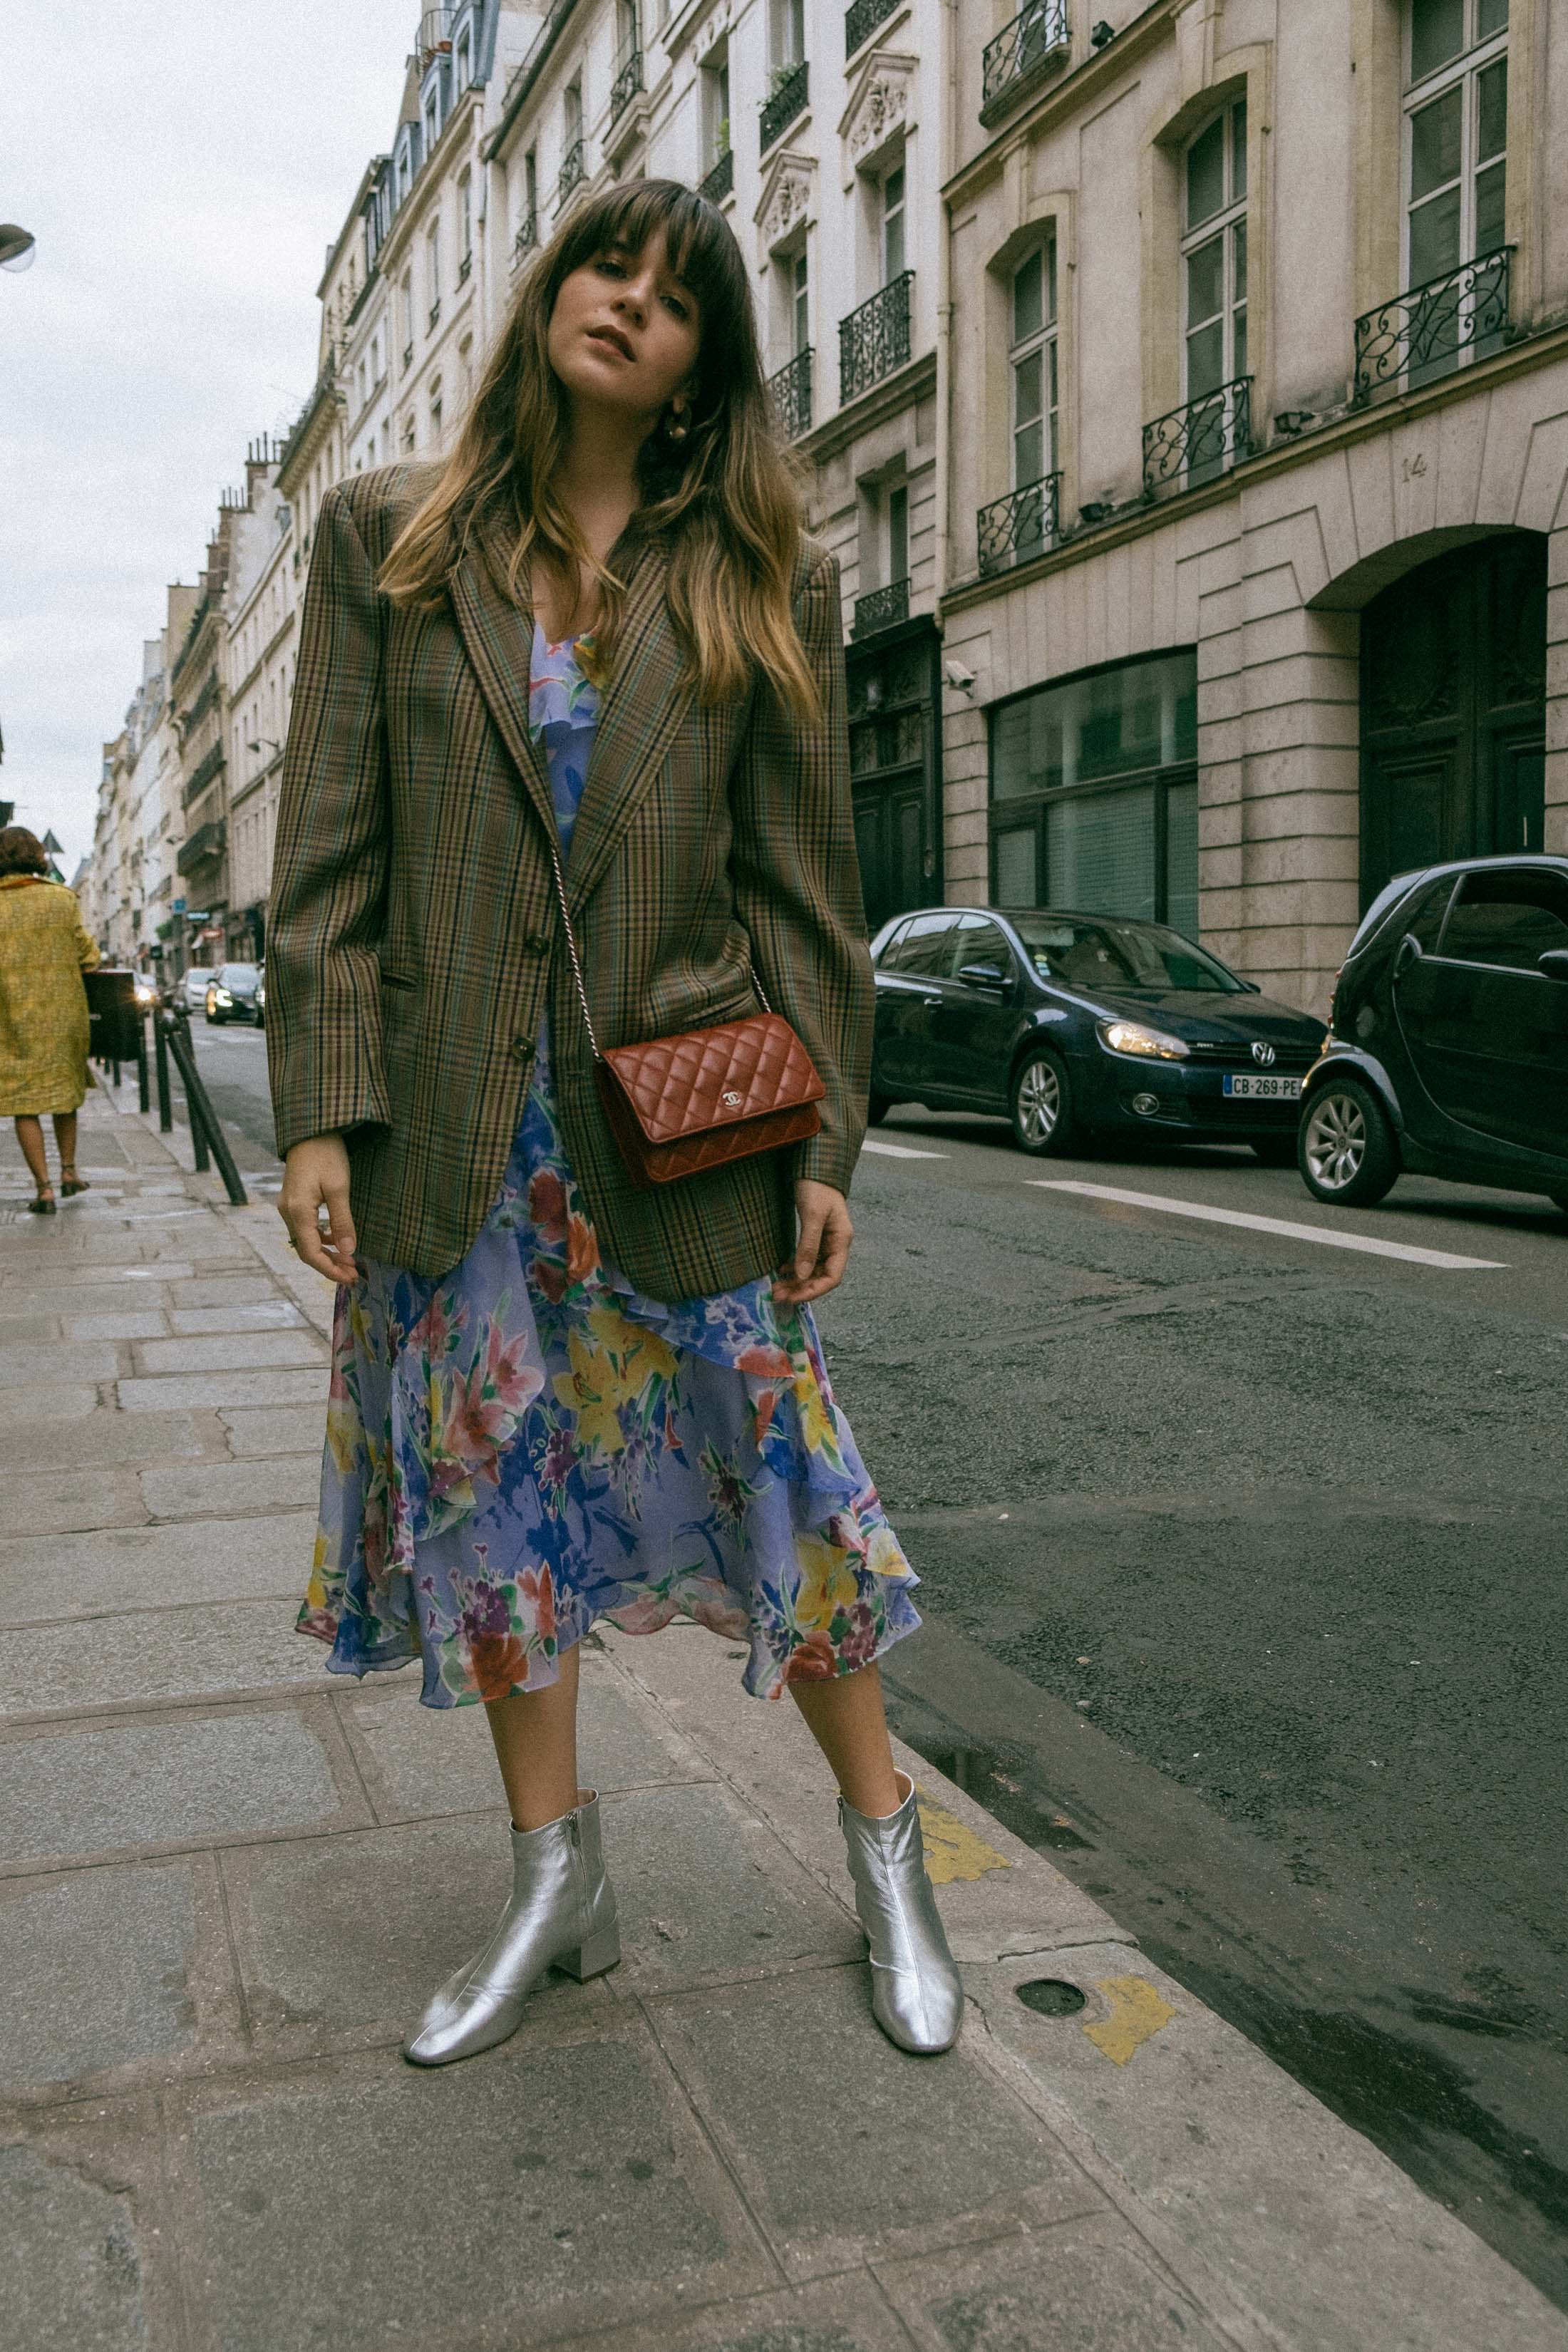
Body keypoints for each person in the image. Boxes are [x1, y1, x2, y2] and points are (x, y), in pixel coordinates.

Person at [267, 179, 961, 2066]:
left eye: (674, 298)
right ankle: (551, 1868)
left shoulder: (759, 578)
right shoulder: (385, 542)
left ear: (696, 369)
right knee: (491, 1508)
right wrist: (325, 1107)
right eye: (606, 266)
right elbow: (328, 855)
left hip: (683, 1131)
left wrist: (825, 1149)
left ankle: (887, 1844)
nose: (630, 303)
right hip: (460, 1129)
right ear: (551, 294)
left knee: (784, 1486)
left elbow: (806, 892)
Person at [0, 825, 99, 1213]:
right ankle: (69, 1172)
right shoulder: (62, 900)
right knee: (63, 1095)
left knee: (24, 1103)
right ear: (37, 857)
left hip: (9, 1017)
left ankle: (43, 1189)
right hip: (62, 1017)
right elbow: (89, 957)